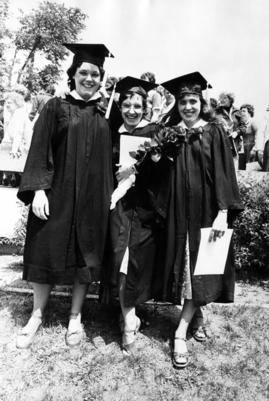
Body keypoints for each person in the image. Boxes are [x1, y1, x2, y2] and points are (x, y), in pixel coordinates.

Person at [16, 43, 114, 349]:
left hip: (91, 201)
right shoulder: (55, 107)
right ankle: (36, 315)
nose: (89, 78)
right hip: (56, 196)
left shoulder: (103, 116)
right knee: (46, 249)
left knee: (85, 257)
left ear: (101, 79)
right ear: (72, 75)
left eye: (94, 74)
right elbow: (40, 148)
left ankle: (75, 316)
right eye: (83, 72)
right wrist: (39, 191)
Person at [154, 72, 243, 368]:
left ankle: (180, 332)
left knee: (200, 269)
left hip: (207, 212)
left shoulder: (214, 131)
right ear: (177, 104)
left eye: (193, 101)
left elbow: (223, 173)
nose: (188, 107)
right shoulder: (171, 133)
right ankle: (198, 316)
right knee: (185, 270)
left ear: (200, 101)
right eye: (183, 102)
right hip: (178, 211)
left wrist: (223, 212)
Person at [104, 76, 171, 353]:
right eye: (127, 105)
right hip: (119, 205)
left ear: (146, 107)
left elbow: (164, 174)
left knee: (134, 262)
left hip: (144, 207)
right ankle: (130, 319)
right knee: (120, 258)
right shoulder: (111, 131)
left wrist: (137, 169)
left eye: (137, 106)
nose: (131, 111)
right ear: (120, 107)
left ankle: (127, 313)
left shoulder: (155, 132)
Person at [215, 91, 241, 169]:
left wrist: (237, 132)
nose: (221, 100)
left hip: (234, 143)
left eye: (224, 98)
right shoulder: (216, 111)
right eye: (220, 98)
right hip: (220, 142)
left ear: (230, 99)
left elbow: (243, 126)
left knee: (234, 167)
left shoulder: (237, 111)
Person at [237, 104, 258, 170]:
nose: (242, 113)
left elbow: (258, 136)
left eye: (244, 111)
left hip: (251, 150)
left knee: (251, 170)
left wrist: (255, 149)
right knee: (241, 170)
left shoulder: (253, 122)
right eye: (241, 111)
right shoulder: (241, 124)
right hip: (242, 151)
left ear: (249, 113)